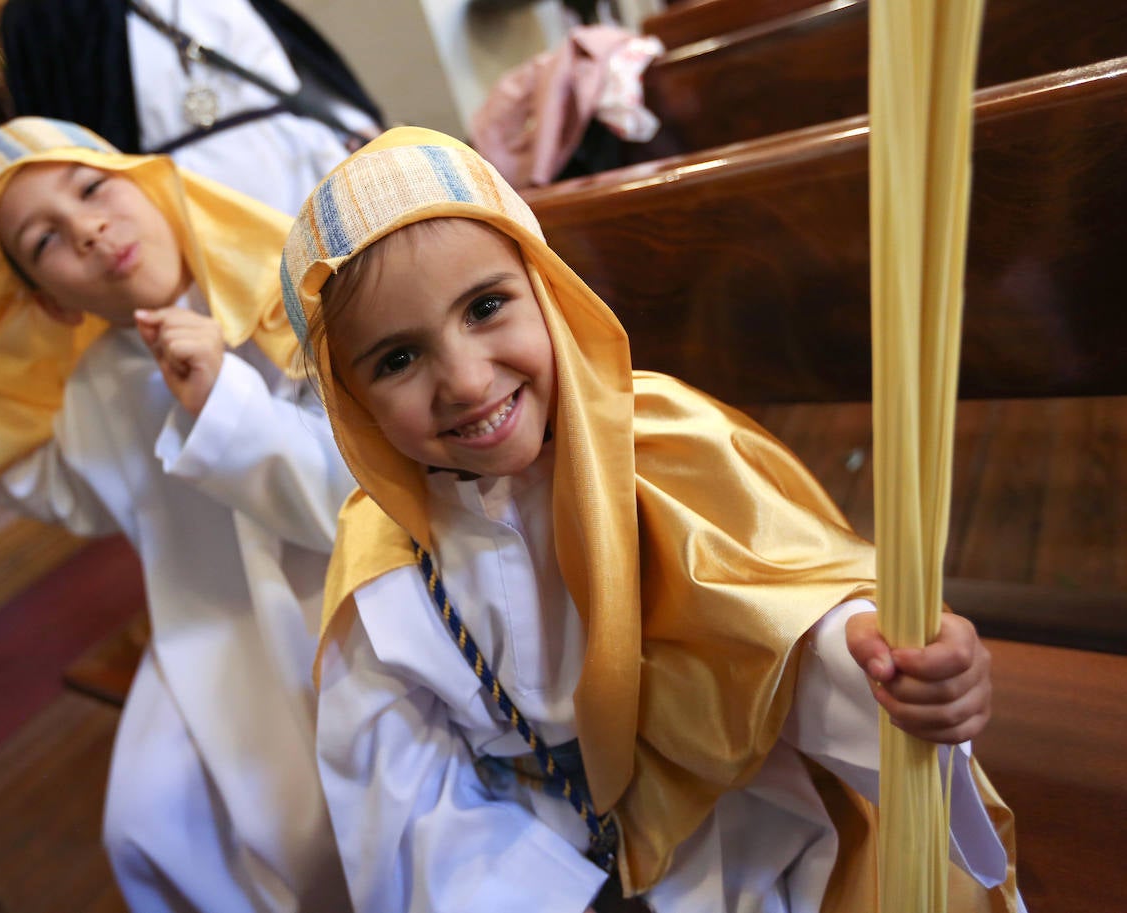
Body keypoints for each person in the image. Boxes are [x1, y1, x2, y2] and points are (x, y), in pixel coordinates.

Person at [279, 126, 1022, 912]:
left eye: (486, 307)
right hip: (527, 851)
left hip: (729, 815)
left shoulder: (663, 443)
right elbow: (404, 797)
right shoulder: (384, 563)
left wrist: (874, 655)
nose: (465, 381)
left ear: (548, 288)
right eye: (397, 359)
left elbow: (775, 612)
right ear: (350, 403)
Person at [0, 116, 356, 913]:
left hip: (346, 588)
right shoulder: (101, 382)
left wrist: (224, 399)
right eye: (45, 240)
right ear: (49, 301)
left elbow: (358, 494)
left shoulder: (286, 289)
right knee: (145, 823)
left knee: (324, 804)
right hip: (211, 620)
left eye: (93, 189)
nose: (89, 230)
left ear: (151, 185)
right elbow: (73, 487)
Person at [0, 0, 383, 217]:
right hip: (187, 207)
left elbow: (295, 60)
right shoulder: (41, 13)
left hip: (306, 164)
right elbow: (64, 137)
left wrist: (355, 125)